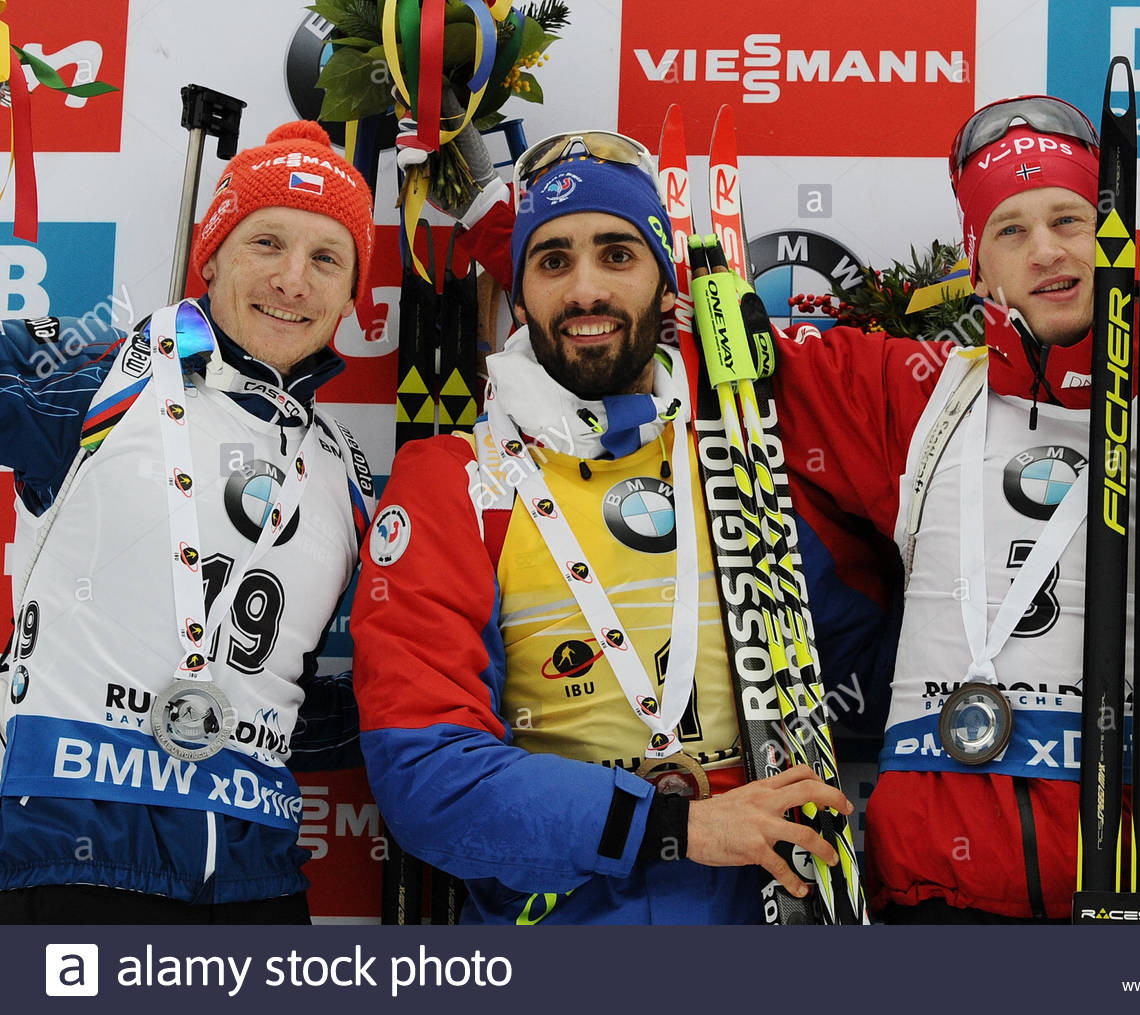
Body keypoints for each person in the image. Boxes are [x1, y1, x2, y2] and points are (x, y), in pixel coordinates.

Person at [772, 95, 1140, 921]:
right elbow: (707, 358)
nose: (1047, 251)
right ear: (977, 265)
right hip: (932, 914)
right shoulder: (913, 400)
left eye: (1070, 218)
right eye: (1010, 230)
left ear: (1120, 235)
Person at [350, 131, 895, 924]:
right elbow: (427, 773)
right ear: (524, 291)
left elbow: (864, 673)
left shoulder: (739, 460)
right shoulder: (457, 481)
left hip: (750, 914)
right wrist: (670, 824)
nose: (585, 290)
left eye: (617, 254)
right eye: (553, 260)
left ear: (665, 282)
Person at [0, 121, 377, 923]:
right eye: (267, 242)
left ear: (352, 295)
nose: (292, 280)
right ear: (211, 257)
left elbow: (296, 703)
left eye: (326, 258)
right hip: (62, 866)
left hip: (258, 885)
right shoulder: (102, 378)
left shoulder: (348, 473)